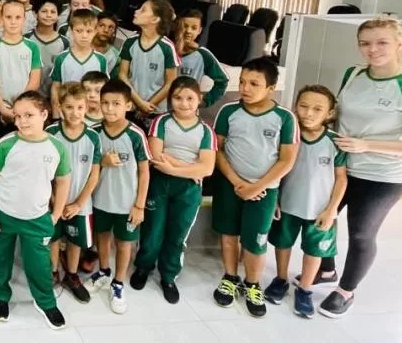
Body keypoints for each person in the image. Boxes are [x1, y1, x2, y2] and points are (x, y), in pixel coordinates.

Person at [316, 17, 402, 318]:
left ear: (400, 43)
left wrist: (367, 145)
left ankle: (345, 291)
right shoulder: (352, 73)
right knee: (320, 219)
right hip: (340, 168)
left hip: (381, 176)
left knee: (361, 234)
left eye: (382, 42)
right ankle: (327, 268)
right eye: (365, 43)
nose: (373, 50)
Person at [212, 58, 299, 318]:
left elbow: (287, 159)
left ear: (271, 88)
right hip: (230, 184)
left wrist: (257, 186)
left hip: (264, 190)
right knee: (228, 234)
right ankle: (230, 277)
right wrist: (237, 182)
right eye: (242, 82)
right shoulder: (229, 111)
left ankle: (252, 284)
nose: (245, 88)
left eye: (254, 84)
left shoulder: (284, 118)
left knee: (256, 242)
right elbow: (218, 149)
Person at [0, 91, 70, 329]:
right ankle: (0, 297)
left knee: (39, 264)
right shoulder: (6, 144)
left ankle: (46, 302)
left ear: (44, 114)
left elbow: (63, 181)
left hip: (37, 218)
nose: (22, 121)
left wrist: (56, 213)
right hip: (3, 215)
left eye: (29, 115)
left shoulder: (57, 148)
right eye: (18, 116)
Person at [130, 77, 216, 304]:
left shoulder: (206, 131)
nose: (184, 103)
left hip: (188, 189)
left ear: (199, 100)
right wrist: (189, 168)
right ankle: (143, 267)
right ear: (170, 100)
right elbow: (156, 157)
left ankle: (168, 276)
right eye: (178, 98)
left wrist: (174, 166)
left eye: (190, 98)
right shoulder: (161, 122)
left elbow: (207, 167)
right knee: (152, 230)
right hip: (159, 183)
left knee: (178, 235)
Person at [262, 85, 345, 318]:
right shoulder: (288, 136)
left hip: (319, 211)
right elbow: (275, 169)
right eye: (304, 106)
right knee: (282, 243)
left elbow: (341, 179)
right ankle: (280, 279)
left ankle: (305, 290)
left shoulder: (335, 142)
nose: (308, 113)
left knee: (314, 251)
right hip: (287, 204)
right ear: (295, 107)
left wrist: (331, 210)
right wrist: (275, 199)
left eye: (317, 109)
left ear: (329, 113)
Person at [88, 79, 150, 314]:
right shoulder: (94, 133)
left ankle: (118, 282)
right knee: (102, 237)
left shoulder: (136, 135)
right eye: (105, 103)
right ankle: (104, 271)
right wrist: (103, 162)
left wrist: (139, 205)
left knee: (124, 244)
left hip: (127, 203)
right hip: (100, 200)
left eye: (116, 103)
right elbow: (91, 168)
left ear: (128, 106)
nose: (110, 108)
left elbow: (144, 172)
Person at [45, 83, 102, 304]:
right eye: (69, 107)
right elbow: (45, 170)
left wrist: (78, 203)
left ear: (87, 107)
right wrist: (52, 198)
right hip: (51, 201)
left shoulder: (93, 137)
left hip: (80, 203)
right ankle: (52, 272)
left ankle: (71, 274)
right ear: (59, 107)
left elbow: (94, 176)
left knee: (75, 241)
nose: (75, 112)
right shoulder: (50, 133)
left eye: (80, 107)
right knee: (53, 238)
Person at [0, 1, 42, 136]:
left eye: (18, 17)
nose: (13, 22)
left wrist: (19, 108)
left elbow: (35, 81)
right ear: (2, 18)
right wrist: (3, 109)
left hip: (25, 111)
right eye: (8, 17)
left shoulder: (32, 47)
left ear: (24, 19)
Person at [118, 0, 179, 123]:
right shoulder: (130, 42)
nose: (136, 12)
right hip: (131, 106)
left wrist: (148, 105)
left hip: (155, 111)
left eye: (143, 10)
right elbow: (122, 75)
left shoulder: (167, 47)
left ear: (155, 19)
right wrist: (140, 103)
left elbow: (170, 82)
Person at [50, 9, 107, 119]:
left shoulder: (101, 59)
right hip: (67, 113)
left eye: (89, 31)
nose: (84, 35)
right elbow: (55, 87)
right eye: (79, 31)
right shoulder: (61, 58)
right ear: (71, 31)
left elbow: (104, 88)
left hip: (92, 114)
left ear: (95, 31)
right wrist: (56, 114)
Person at [174, 10, 228, 108]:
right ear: (177, 26)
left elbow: (222, 81)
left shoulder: (203, 54)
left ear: (199, 30)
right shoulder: (166, 49)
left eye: (194, 28)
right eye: (185, 26)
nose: (188, 31)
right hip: (160, 108)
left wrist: (206, 101)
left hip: (186, 110)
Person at [28, 0, 69, 96]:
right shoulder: (26, 39)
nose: (48, 15)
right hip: (29, 94)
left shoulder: (64, 42)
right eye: (44, 11)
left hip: (54, 95)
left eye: (53, 12)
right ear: (35, 13)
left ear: (58, 15)